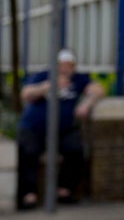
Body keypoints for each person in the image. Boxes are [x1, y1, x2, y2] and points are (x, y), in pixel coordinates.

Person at [17, 49, 105, 210]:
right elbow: (26, 94)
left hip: (63, 129)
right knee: (28, 152)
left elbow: (98, 89)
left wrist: (87, 103)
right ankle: (28, 194)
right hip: (34, 128)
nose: (66, 69)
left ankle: (64, 190)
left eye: (70, 66)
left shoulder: (78, 79)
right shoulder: (43, 75)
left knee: (76, 150)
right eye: (62, 66)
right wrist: (48, 86)